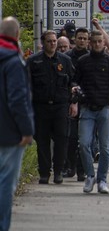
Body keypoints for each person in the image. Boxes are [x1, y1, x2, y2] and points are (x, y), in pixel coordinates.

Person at [0, 17, 34, 231]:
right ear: (17, 35)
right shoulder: (14, 61)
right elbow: (18, 99)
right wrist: (27, 130)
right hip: (10, 131)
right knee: (6, 182)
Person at [27, 30, 76, 184]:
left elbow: (72, 81)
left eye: (54, 41)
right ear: (43, 43)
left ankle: (58, 171)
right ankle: (44, 173)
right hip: (40, 107)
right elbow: (27, 85)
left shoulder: (65, 60)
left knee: (62, 139)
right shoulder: (34, 61)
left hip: (60, 106)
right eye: (49, 41)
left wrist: (74, 100)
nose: (53, 44)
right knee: (42, 141)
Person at [75, 30, 109, 194]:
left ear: (104, 43)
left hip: (105, 108)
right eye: (94, 42)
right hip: (87, 107)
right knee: (84, 143)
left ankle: (102, 179)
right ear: (90, 43)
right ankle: (90, 175)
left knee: (105, 147)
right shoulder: (83, 61)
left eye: (100, 41)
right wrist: (75, 91)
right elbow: (75, 80)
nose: (97, 44)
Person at [64, 28, 90, 180]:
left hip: (86, 102)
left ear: (88, 41)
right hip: (71, 101)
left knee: (85, 140)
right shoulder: (67, 57)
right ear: (75, 39)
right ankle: (70, 167)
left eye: (84, 38)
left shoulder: (90, 57)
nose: (81, 40)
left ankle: (82, 170)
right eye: (79, 38)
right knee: (71, 137)